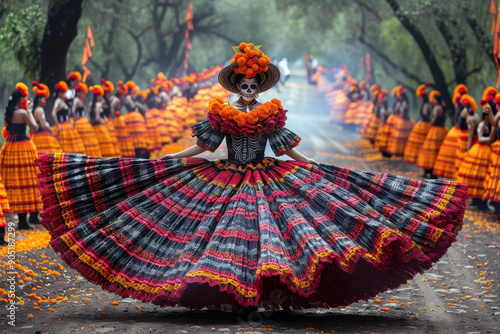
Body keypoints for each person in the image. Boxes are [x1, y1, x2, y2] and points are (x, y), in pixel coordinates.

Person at [37, 43, 467, 311]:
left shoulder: (270, 112)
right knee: (223, 237)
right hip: (224, 176)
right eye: (242, 81)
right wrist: (173, 157)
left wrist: (309, 163)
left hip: (268, 176)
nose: (247, 87)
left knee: (274, 235)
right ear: (236, 83)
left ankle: (273, 295)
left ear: (259, 84)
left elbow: (282, 145)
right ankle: (233, 294)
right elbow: (207, 147)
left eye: (252, 82)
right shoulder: (221, 113)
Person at [1, 83, 42, 230]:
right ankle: (23, 221)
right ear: (21, 100)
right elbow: (35, 128)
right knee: (26, 182)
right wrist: (29, 110)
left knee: (15, 183)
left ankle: (20, 218)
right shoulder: (23, 113)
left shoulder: (9, 113)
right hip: (24, 148)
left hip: (10, 147)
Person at [416, 91, 449, 179]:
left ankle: (429, 171)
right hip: (442, 129)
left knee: (429, 151)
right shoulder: (443, 106)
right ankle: (435, 171)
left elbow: (434, 119)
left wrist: (429, 126)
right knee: (438, 151)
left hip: (435, 130)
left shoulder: (437, 108)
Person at [51, 81, 85, 154]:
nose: (64, 94)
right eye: (62, 92)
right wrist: (57, 125)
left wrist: (70, 121)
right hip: (62, 127)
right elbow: (53, 113)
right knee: (64, 147)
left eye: (64, 92)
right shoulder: (58, 101)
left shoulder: (62, 101)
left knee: (71, 147)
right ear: (58, 93)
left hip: (68, 126)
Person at [403, 83, 432, 164]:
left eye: (420, 97)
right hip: (424, 124)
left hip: (424, 125)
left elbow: (425, 115)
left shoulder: (426, 105)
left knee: (420, 142)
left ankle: (419, 158)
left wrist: (421, 120)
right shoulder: (428, 104)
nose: (420, 98)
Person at [30, 81, 62, 153]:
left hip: (35, 135)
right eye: (43, 98)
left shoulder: (36, 109)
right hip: (41, 136)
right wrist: (51, 131)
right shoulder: (40, 110)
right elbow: (43, 125)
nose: (45, 100)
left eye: (45, 99)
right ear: (38, 99)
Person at [73, 83, 102, 156]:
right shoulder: (76, 100)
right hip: (80, 122)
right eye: (82, 92)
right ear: (78, 92)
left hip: (84, 121)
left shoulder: (80, 100)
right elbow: (73, 111)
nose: (83, 94)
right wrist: (75, 121)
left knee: (88, 140)